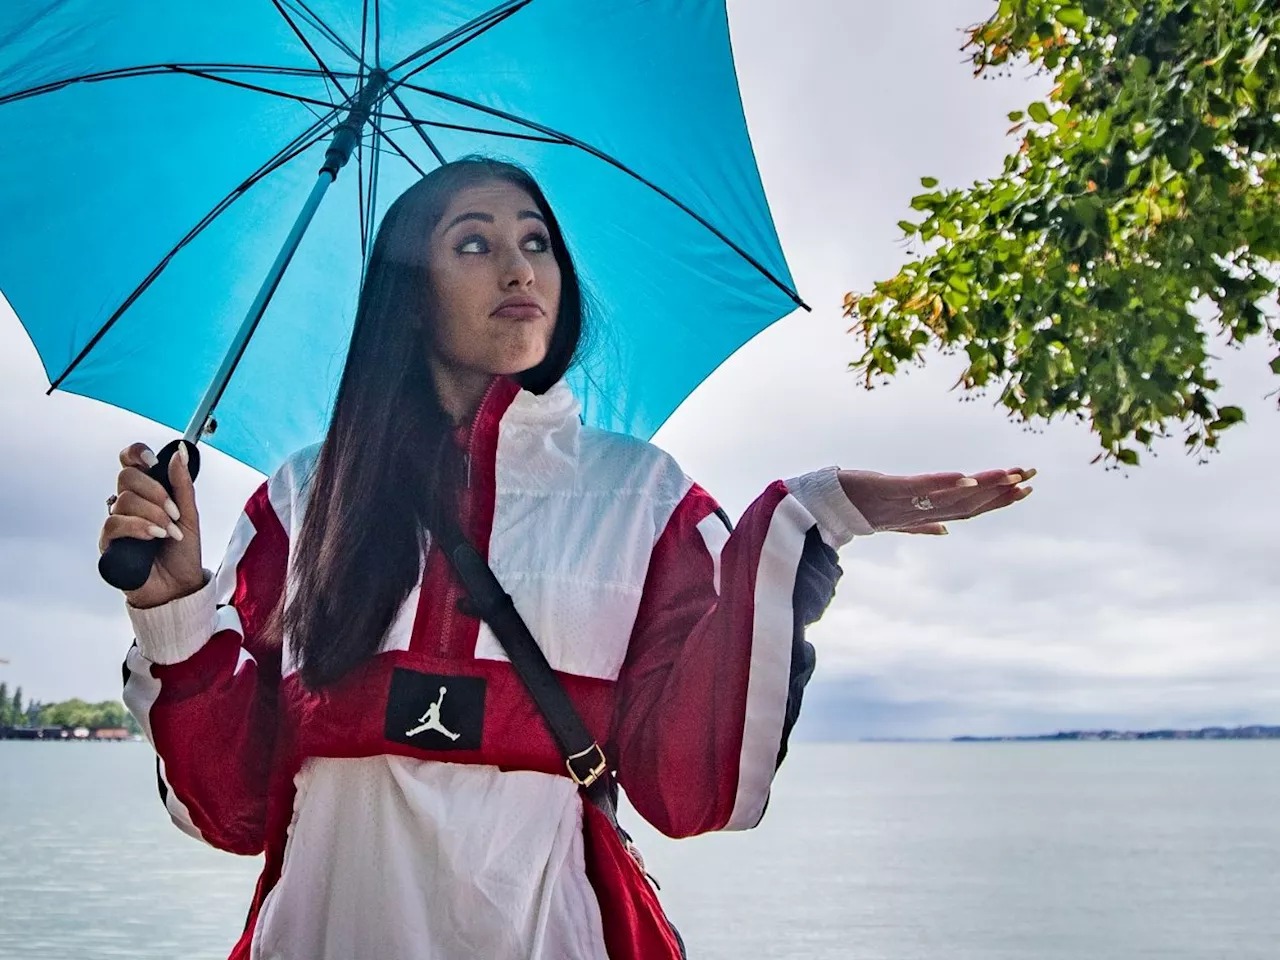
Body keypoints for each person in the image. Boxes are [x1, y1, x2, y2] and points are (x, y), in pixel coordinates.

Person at [100, 158, 1034, 960]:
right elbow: (233, 808)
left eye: (537, 241)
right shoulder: (305, 497)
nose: (518, 265)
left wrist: (806, 518)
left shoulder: (647, 496)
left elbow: (690, 785)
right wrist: (176, 610)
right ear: (409, 294)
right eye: (472, 244)